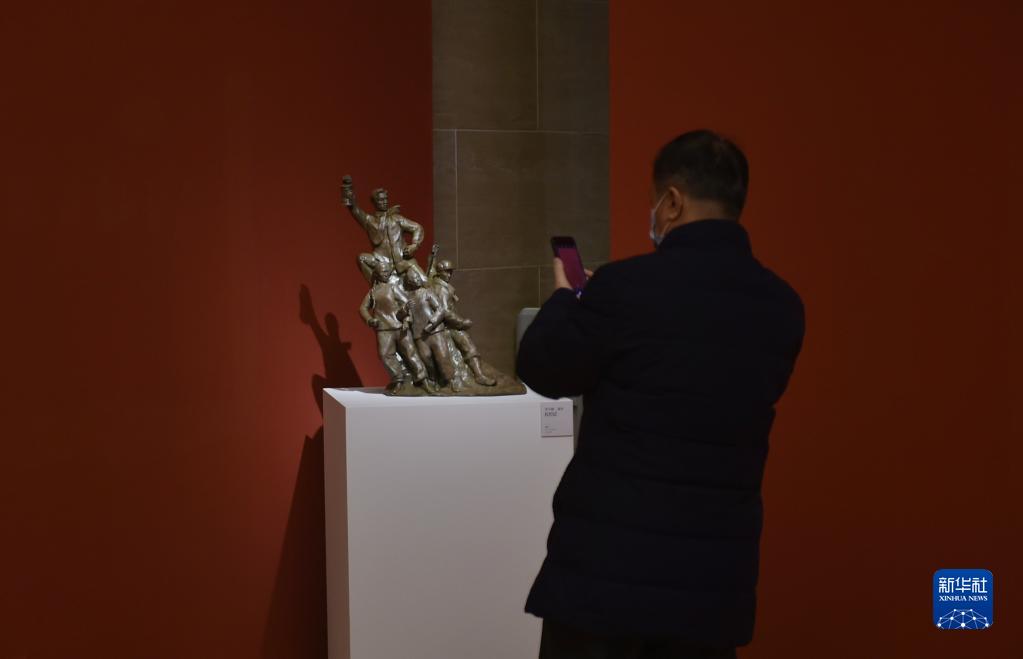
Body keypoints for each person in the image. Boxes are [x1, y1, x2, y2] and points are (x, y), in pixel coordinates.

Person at [517, 130, 805, 658]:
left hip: (606, 578)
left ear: (671, 201)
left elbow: (544, 368)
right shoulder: (781, 307)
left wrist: (566, 300)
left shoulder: (625, 288)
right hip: (711, 586)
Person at [431, 258, 497, 386]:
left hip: (448, 325)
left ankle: (479, 374)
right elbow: (445, 312)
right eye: (446, 272)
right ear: (439, 272)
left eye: (450, 272)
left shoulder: (442, 286)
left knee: (468, 345)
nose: (449, 275)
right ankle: (479, 375)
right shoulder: (441, 289)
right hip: (447, 327)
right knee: (468, 345)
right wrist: (461, 323)